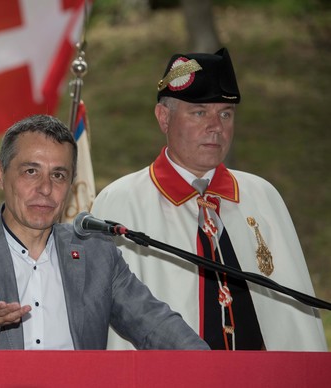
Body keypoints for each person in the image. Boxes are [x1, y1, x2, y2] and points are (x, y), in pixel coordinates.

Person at [91, 48, 327, 351]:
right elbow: (113, 331)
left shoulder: (262, 195)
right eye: (199, 112)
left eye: (225, 114)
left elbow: (297, 321)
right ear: (164, 118)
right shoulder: (121, 202)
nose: (216, 126)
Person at [0, 114, 209, 351]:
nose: (45, 189)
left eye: (58, 175)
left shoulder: (97, 254)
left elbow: (155, 327)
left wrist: (219, 370)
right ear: (1, 174)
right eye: (30, 171)